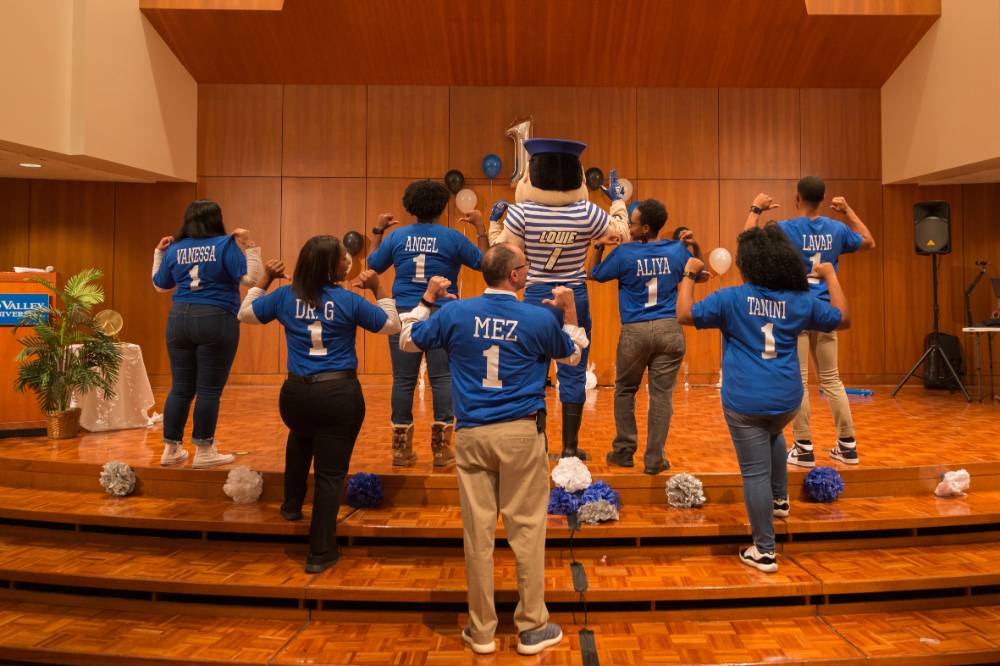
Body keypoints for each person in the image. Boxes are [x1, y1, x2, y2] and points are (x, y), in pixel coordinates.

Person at [399, 243, 587, 656]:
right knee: (528, 532)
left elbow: (408, 339)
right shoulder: (539, 317)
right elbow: (573, 356)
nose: (528, 271)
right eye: (525, 266)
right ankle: (532, 627)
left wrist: (428, 300)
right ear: (515, 275)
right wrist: (570, 312)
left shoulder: (454, 312)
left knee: (477, 536)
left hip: (472, 435)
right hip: (521, 434)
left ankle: (482, 630)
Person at [677, 225, 850, 573]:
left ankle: (765, 550)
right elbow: (843, 318)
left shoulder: (731, 298)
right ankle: (780, 500)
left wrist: (689, 275)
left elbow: (684, 314)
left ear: (748, 265)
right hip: (787, 399)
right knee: (772, 433)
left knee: (754, 472)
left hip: (745, 400)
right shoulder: (801, 300)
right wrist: (831, 275)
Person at [237, 235, 400, 573]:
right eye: (342, 258)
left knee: (301, 435)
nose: (347, 262)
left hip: (295, 394)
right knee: (329, 474)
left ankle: (291, 505)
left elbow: (246, 314)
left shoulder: (284, 295)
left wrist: (265, 279)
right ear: (329, 266)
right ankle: (320, 552)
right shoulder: (347, 300)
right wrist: (379, 289)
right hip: (338, 394)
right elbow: (392, 325)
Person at [490, 138, 628, 460]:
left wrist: (494, 222)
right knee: (574, 368)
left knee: (532, 371)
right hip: (574, 298)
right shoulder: (587, 212)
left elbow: (501, 250)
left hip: (535, 297)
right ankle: (569, 448)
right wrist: (618, 202)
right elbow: (621, 233)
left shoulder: (521, 213)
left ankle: (536, 445)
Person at [745, 178, 875, 466]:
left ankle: (803, 447)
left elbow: (747, 240)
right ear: (823, 199)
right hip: (826, 310)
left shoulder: (784, 229)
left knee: (800, 381)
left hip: (796, 311)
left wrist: (756, 209)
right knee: (832, 379)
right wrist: (848, 211)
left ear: (797, 198)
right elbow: (868, 241)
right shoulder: (837, 228)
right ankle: (848, 446)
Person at [367, 179, 487, 468]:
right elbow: (485, 263)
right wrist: (481, 228)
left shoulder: (398, 237)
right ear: (442, 206)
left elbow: (373, 265)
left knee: (403, 380)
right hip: (442, 314)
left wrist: (378, 232)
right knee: (442, 378)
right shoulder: (452, 238)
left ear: (410, 207)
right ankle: (441, 450)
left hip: (403, 314)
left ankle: (400, 450)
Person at [588, 198, 700, 474]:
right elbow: (699, 271)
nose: (628, 226)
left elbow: (594, 274)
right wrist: (693, 246)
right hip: (669, 329)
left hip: (635, 331)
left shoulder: (624, 253)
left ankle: (624, 452)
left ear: (646, 228)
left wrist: (599, 246)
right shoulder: (677, 250)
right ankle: (654, 459)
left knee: (626, 390)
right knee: (662, 396)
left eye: (632, 223)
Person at [152, 199, 262, 469]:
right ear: (216, 219)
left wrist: (158, 253)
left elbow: (160, 285)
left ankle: (170, 449)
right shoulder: (225, 244)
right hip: (216, 317)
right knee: (208, 390)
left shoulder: (175, 248)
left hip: (178, 319)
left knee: (180, 388)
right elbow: (252, 279)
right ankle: (204, 450)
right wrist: (250, 244)